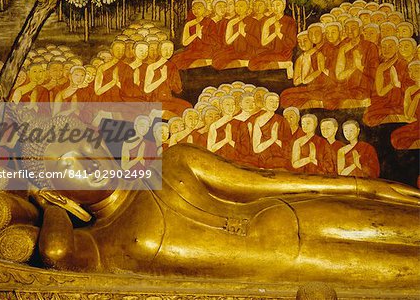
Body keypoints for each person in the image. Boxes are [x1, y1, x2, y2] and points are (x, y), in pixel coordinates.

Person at [26, 115, 420, 287]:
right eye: (64, 166)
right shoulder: (98, 244)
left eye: (85, 145)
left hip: (296, 212)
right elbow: (56, 251)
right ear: (57, 190)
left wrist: (361, 189)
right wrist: (50, 206)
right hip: (298, 263)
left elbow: (265, 182)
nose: (86, 161)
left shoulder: (175, 160)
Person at [326, 18, 379, 109]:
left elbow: (375, 72)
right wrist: (342, 51)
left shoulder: (370, 46)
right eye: (347, 28)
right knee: (328, 98)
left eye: (353, 28)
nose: (350, 31)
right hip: (343, 87)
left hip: (362, 87)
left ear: (361, 29)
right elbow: (335, 74)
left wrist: (360, 67)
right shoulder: (342, 47)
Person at [248, 0, 297, 77]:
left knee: (255, 64)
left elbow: (292, 43)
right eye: (273, 5)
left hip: (284, 53)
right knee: (252, 63)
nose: (275, 8)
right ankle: (282, 65)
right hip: (271, 51)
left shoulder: (290, 21)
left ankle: (286, 64)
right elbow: (264, 42)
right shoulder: (268, 21)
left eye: (278, 5)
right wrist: (274, 33)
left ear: (283, 6)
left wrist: (279, 34)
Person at [363, 37, 407, 126]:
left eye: (390, 47)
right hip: (383, 100)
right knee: (369, 118)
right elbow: (380, 92)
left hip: (401, 98)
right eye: (384, 47)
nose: (387, 50)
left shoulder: (403, 63)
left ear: (397, 47)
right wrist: (392, 84)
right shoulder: (380, 65)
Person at [144, 41, 191, 118]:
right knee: (182, 110)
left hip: (168, 98)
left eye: (170, 49)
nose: (168, 52)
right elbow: (146, 89)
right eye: (165, 49)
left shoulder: (172, 66)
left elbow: (177, 88)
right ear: (159, 50)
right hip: (155, 101)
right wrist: (162, 79)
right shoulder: (152, 67)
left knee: (188, 106)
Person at [212, 0, 261, 69]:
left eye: (241, 6)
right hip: (233, 51)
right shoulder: (232, 22)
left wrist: (244, 34)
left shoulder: (254, 22)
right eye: (236, 6)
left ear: (247, 7)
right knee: (218, 58)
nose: (238, 8)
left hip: (248, 51)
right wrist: (237, 33)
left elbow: (257, 43)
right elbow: (227, 42)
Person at [172, 1, 216, 69]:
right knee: (174, 60)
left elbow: (214, 41)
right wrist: (196, 34)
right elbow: (185, 43)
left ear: (204, 9)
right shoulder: (189, 24)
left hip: (205, 51)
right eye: (193, 9)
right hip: (192, 50)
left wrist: (201, 36)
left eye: (199, 8)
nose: (196, 11)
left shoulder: (210, 22)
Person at [253, 93, 291, 169]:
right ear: (264, 103)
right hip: (263, 155)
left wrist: (277, 141)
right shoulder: (258, 120)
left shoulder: (282, 120)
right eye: (271, 101)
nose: (274, 104)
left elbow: (289, 144)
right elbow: (256, 148)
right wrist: (272, 139)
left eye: (277, 101)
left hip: (280, 155)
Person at [391, 60, 420, 150]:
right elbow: (408, 115)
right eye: (410, 71)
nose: (412, 73)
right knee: (396, 137)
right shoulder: (410, 90)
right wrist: (417, 97)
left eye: (417, 70)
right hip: (417, 123)